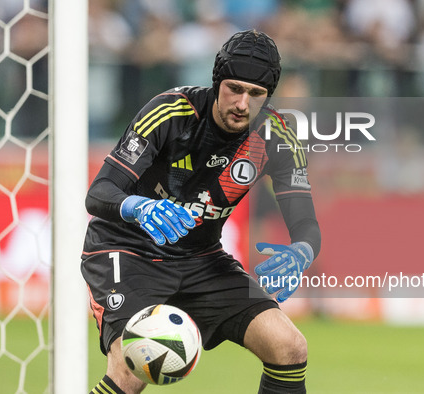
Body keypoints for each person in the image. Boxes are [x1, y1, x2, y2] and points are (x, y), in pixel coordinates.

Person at [81, 29, 321, 394]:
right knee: (132, 370)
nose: (242, 103)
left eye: (255, 94)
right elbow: (99, 192)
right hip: (126, 250)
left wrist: (302, 251)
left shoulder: (277, 135)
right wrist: (139, 206)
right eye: (234, 89)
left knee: (289, 347)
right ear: (216, 83)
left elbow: (305, 220)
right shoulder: (171, 112)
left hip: (200, 258)